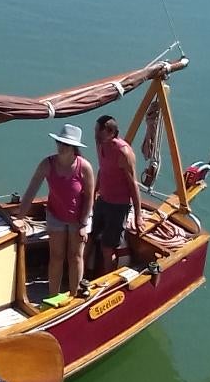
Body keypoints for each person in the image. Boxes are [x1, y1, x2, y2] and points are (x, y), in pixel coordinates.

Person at [14, 124, 95, 299]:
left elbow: (90, 197)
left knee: (75, 256)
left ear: (73, 147)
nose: (61, 146)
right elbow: (31, 190)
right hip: (56, 215)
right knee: (56, 256)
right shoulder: (47, 164)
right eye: (59, 142)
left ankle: (74, 294)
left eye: (66, 144)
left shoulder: (84, 167)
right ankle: (52, 296)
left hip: (79, 217)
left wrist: (83, 224)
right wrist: (20, 217)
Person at [88, 115, 143, 276]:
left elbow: (133, 184)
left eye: (99, 132)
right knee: (89, 238)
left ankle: (106, 281)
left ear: (111, 132)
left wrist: (138, 215)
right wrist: (94, 193)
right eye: (95, 131)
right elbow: (102, 169)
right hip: (102, 200)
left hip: (118, 206)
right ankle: (83, 276)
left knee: (107, 248)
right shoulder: (100, 145)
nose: (96, 135)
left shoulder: (123, 153)